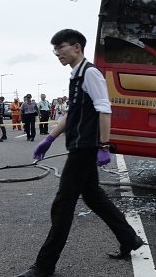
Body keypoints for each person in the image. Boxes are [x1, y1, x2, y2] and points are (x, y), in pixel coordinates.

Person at [17, 29, 144, 277]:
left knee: (62, 205)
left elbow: (105, 110)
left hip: (84, 149)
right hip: (77, 145)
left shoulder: (90, 73)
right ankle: (129, 239)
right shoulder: (76, 76)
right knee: (94, 197)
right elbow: (70, 114)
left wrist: (104, 146)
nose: (57, 53)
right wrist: (49, 138)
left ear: (76, 47)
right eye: (55, 49)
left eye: (60, 48)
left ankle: (44, 266)